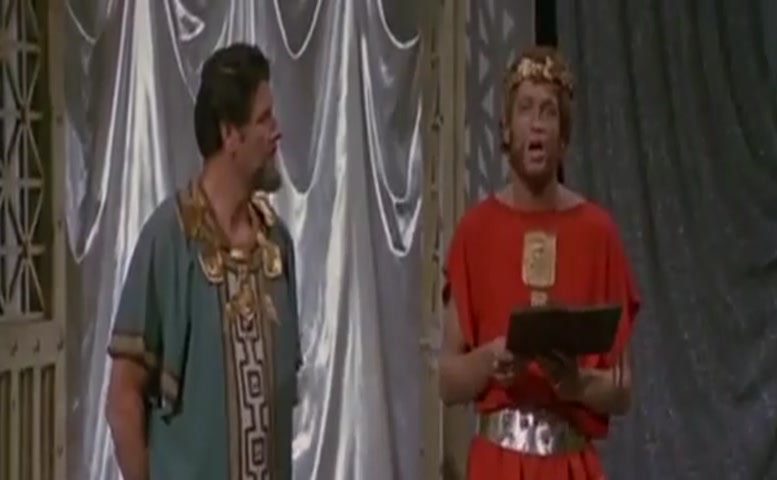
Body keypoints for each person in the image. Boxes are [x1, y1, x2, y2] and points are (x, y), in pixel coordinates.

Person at [438, 46, 640, 480]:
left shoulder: (598, 233)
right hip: (497, 465)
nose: (537, 123)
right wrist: (491, 359)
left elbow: (623, 390)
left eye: (549, 112)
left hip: (571, 464)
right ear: (506, 129)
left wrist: (578, 384)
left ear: (563, 138)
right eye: (526, 109)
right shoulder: (475, 231)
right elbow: (448, 381)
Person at [105, 43, 301, 480]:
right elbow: (122, 399)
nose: (276, 132)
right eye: (264, 119)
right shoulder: (169, 242)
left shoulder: (277, 245)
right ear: (230, 134)